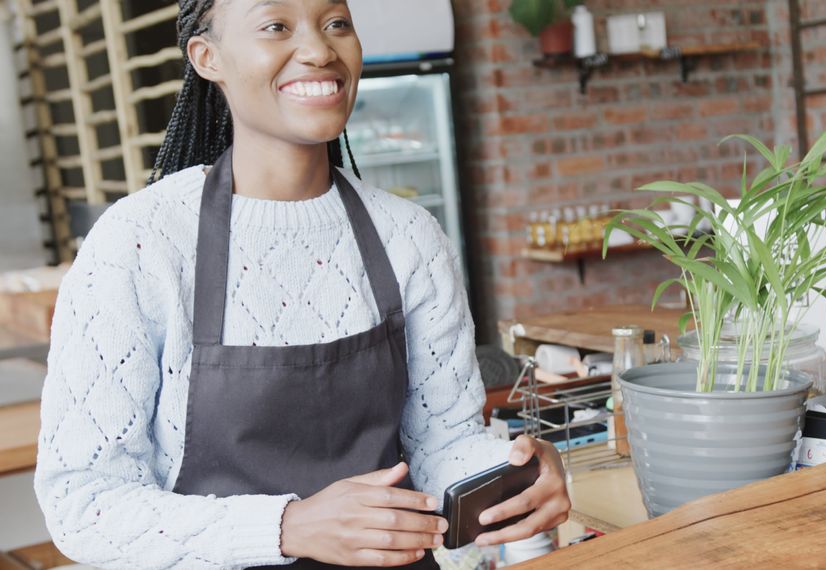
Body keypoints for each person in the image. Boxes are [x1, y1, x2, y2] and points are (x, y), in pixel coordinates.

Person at [33, 1, 570, 567]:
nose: (319, 51)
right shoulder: (140, 244)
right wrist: (287, 525)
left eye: (336, 23)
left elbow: (443, 442)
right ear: (206, 56)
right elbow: (84, 505)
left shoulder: (410, 237)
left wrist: (514, 474)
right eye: (276, 27)